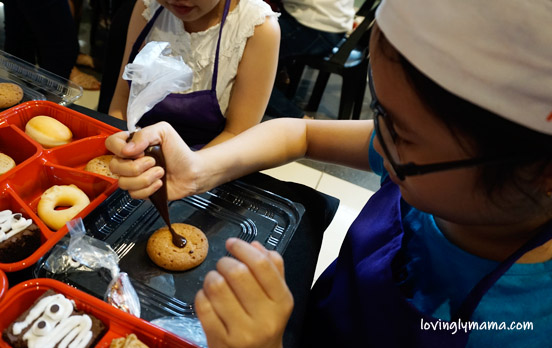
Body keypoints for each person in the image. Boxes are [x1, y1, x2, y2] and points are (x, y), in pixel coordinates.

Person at [105, 0, 552, 346]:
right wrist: (201, 168)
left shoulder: (523, 327)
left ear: (541, 174)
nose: (379, 138)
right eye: (379, 113)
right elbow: (300, 133)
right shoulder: (427, 165)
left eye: (402, 133)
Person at [108, 0, 280, 148]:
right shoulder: (148, 7)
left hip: (211, 164)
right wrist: (122, 147)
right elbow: (122, 101)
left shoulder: (257, 27)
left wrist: (183, 169)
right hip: (136, 152)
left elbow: (237, 134)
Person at [265, 0, 356, 119]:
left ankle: (298, 117)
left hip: (315, 28)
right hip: (334, 23)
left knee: (250, 44)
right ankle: (276, 75)